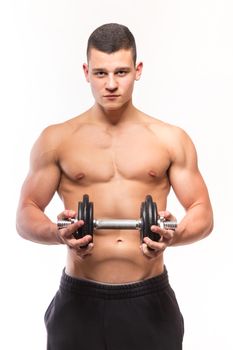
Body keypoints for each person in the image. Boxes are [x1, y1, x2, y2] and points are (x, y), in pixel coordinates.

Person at [16, 23, 213, 350]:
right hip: (79, 299)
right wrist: (56, 232)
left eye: (121, 72)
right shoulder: (57, 140)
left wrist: (172, 235)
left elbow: (202, 211)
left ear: (137, 70)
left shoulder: (169, 140)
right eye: (100, 73)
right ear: (86, 71)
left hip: (149, 299)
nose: (110, 84)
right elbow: (25, 213)